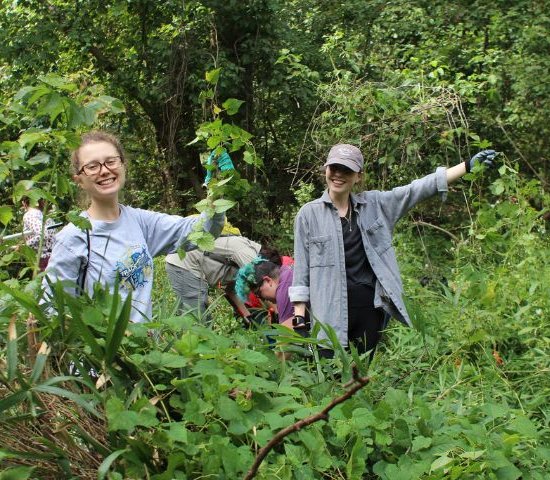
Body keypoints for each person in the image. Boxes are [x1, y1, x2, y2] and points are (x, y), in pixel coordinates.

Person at [289, 144, 499, 357]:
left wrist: (467, 166)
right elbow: (301, 272)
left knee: (358, 377)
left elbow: (415, 190)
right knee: (330, 378)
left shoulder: (375, 204)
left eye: (347, 170)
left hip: (368, 311)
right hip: (328, 314)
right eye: (334, 168)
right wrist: (299, 318)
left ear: (358, 177)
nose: (338, 175)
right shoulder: (308, 215)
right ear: (326, 170)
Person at [43, 130, 227, 323]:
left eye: (111, 161)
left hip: (145, 348)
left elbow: (200, 231)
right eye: (92, 166)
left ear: (123, 165)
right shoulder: (74, 237)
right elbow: (53, 310)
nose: (104, 170)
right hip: (104, 349)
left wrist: (217, 189)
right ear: (79, 180)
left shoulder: (139, 221)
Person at [235, 258, 298, 327]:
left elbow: (287, 335)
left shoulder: (283, 291)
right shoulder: (286, 270)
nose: (263, 299)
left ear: (268, 280)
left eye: (259, 294)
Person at [22, 197, 57, 270]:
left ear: (24, 203)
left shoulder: (29, 215)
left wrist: (25, 245)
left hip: (43, 259)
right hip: (52, 257)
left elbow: (43, 234)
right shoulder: (44, 216)